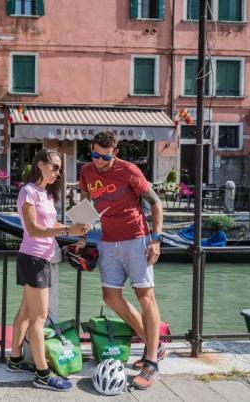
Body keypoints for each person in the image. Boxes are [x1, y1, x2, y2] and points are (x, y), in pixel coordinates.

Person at [76, 131, 165, 390]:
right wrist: (82, 238)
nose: (98, 161)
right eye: (94, 155)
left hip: (137, 239)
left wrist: (156, 240)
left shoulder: (129, 171)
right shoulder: (87, 172)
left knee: (145, 296)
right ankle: (154, 344)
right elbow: (85, 206)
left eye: (104, 157)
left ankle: (151, 362)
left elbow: (156, 202)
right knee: (110, 297)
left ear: (114, 153)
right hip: (107, 241)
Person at [7, 148, 90, 392]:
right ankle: (42, 374)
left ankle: (14, 359)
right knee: (39, 318)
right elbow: (33, 230)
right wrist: (67, 232)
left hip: (41, 257)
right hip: (33, 257)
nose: (58, 172)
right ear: (40, 164)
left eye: (59, 169)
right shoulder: (28, 192)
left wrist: (74, 228)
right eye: (54, 167)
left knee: (25, 311)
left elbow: (50, 224)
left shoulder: (46, 194)